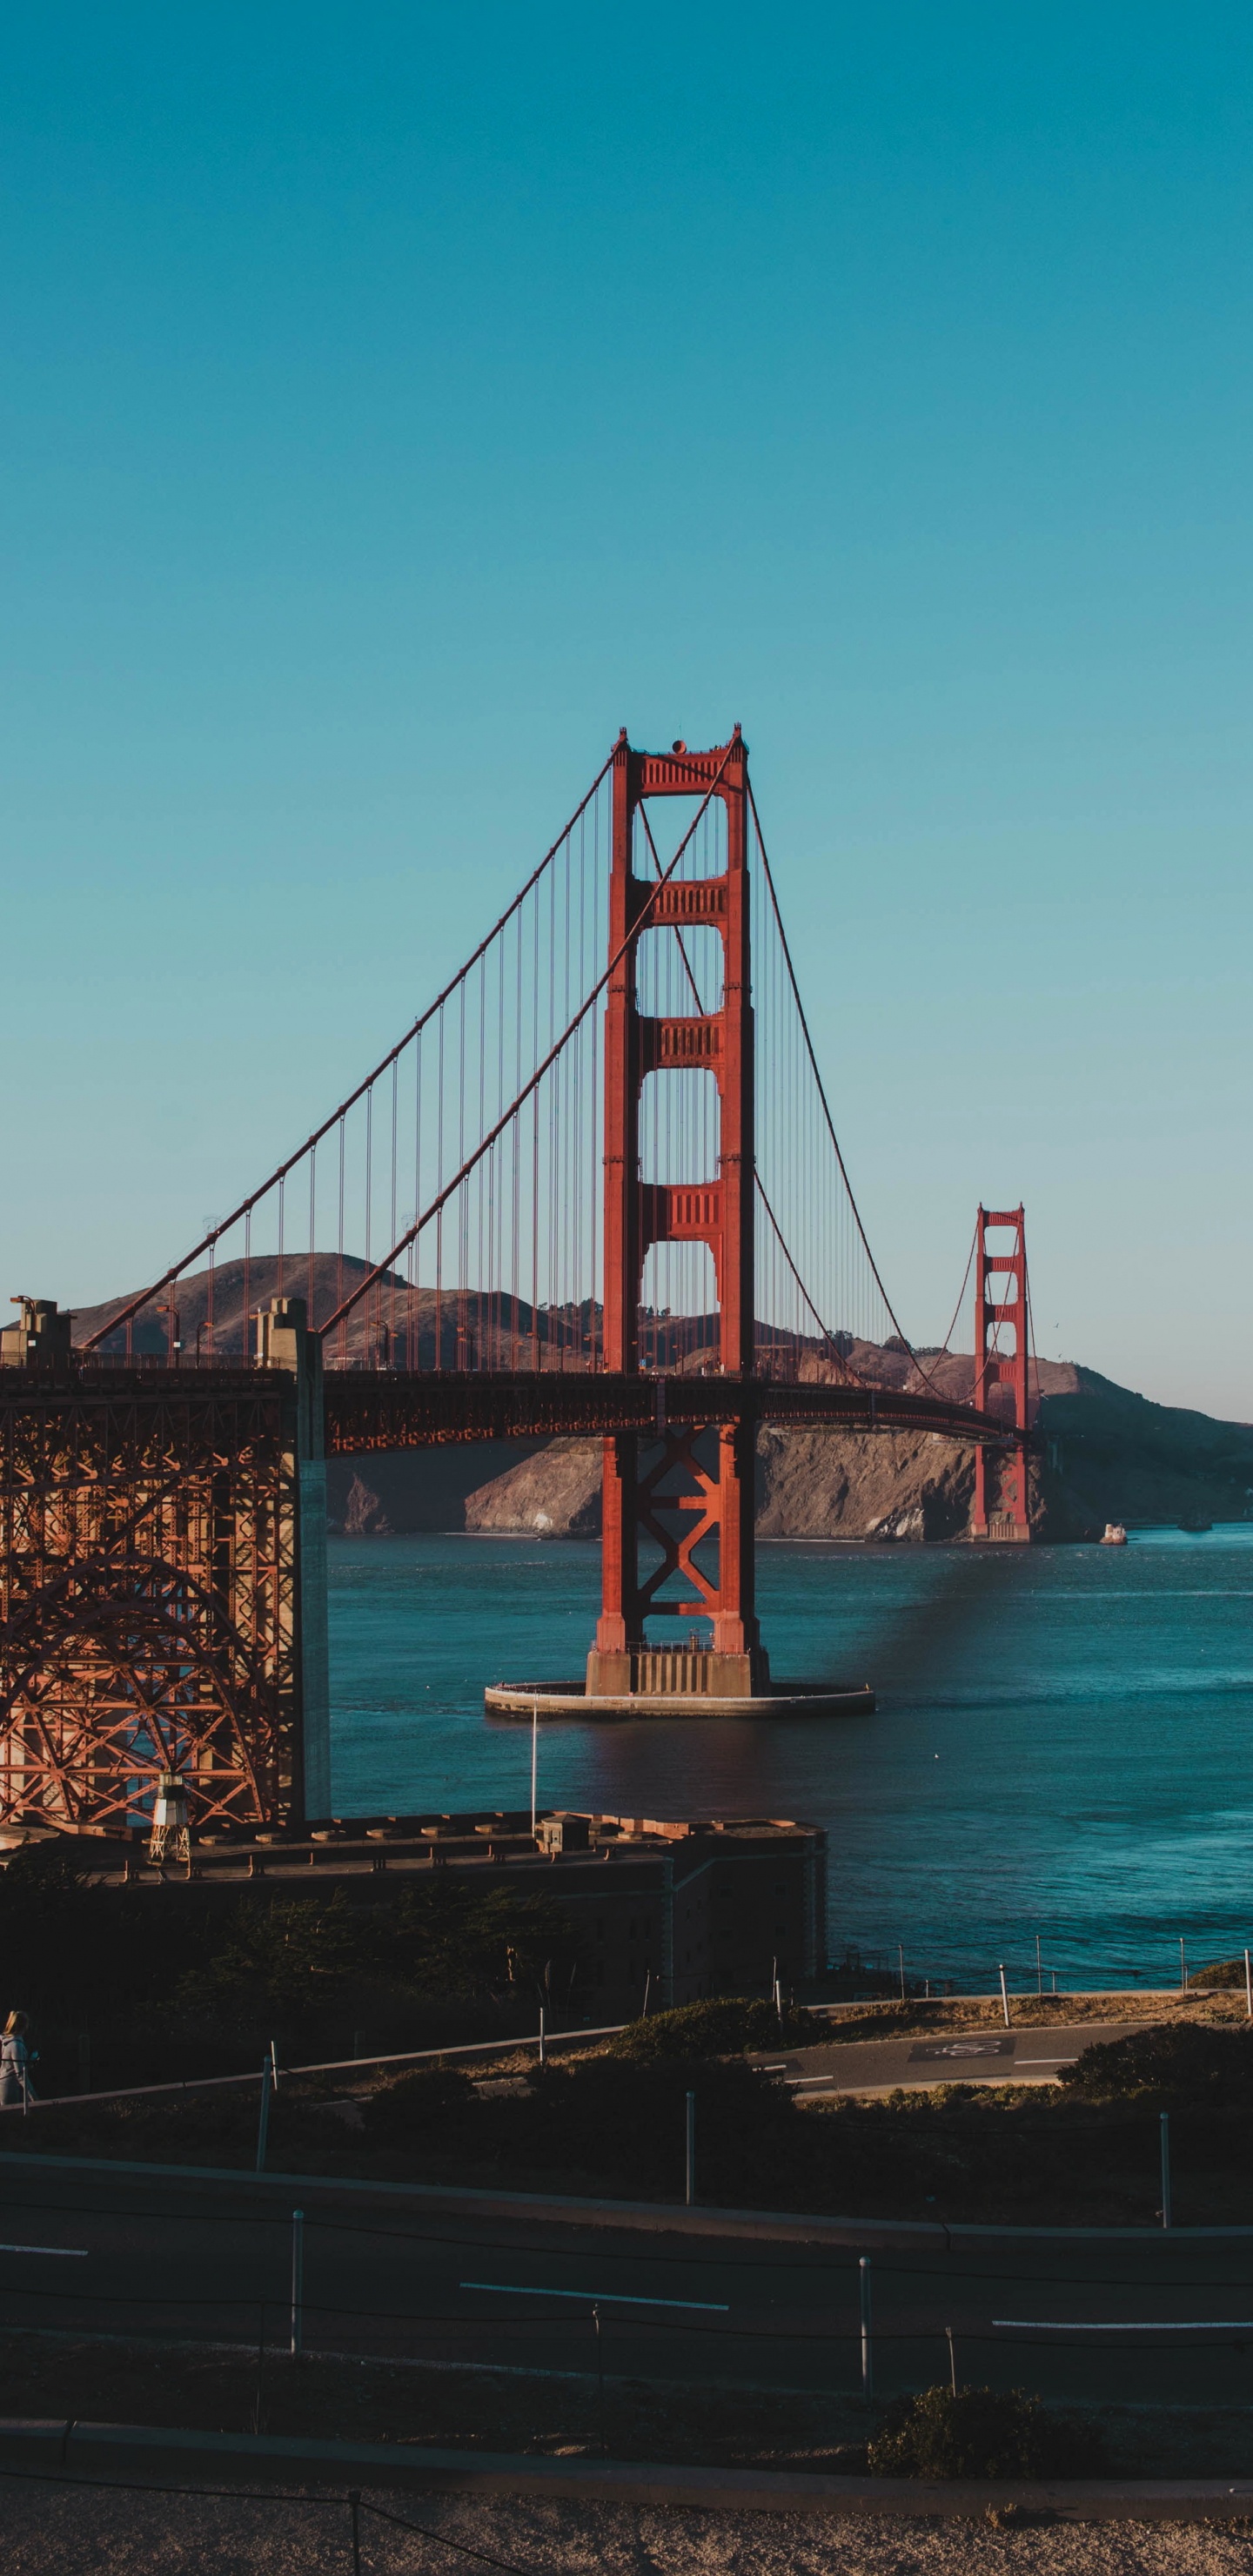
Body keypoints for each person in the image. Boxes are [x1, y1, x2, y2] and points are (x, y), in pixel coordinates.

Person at [0, 2011, 34, 2108]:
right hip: (10, 2088)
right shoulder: (15, 2045)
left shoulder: (8, 2043)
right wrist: (33, 2098)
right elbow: (20, 2074)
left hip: (7, 2085)